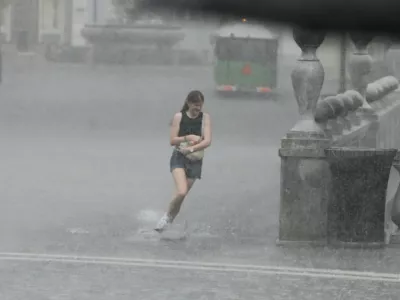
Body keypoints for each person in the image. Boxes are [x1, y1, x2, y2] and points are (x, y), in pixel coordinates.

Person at [155, 90, 212, 232]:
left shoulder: (205, 118)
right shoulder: (179, 117)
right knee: (181, 191)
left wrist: (191, 149)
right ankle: (166, 218)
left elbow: (208, 141)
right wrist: (189, 137)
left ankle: (168, 221)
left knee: (180, 196)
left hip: (195, 160)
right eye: (195, 105)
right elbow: (172, 140)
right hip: (179, 158)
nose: (197, 108)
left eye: (200, 105)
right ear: (188, 103)